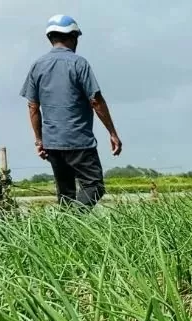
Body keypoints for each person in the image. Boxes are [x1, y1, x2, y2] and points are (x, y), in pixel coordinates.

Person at [20, 15, 122, 210]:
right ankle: (74, 219)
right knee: (94, 185)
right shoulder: (79, 63)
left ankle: (66, 226)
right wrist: (112, 133)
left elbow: (33, 107)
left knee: (65, 195)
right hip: (79, 140)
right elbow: (96, 101)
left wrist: (39, 140)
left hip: (52, 142)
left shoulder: (37, 66)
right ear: (73, 37)